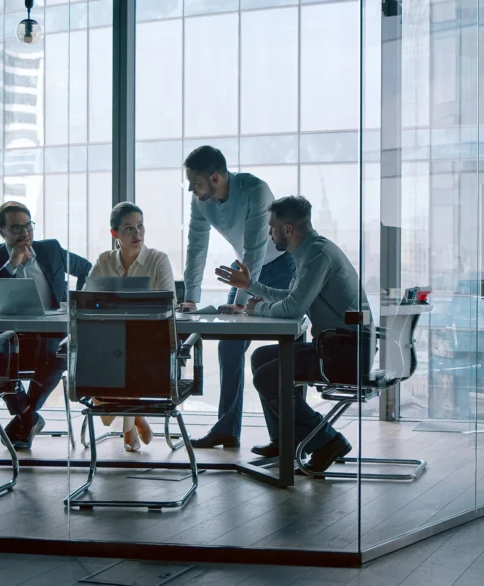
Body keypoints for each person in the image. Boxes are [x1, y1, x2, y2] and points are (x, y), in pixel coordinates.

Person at [215, 195, 372, 474]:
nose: (269, 232)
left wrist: (260, 308)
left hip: (346, 352)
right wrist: (252, 285)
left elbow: (293, 308)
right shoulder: (311, 251)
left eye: (272, 226)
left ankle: (327, 440)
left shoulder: (316, 255)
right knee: (262, 358)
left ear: (287, 229)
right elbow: (291, 296)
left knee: (267, 376)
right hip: (337, 346)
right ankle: (283, 440)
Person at [177, 146, 295, 449]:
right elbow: (196, 245)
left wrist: (242, 301)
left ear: (215, 177)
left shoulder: (256, 191)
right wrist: (190, 297)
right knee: (229, 346)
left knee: (287, 347)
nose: (191, 188)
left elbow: (256, 248)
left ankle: (286, 438)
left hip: (282, 266)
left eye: (196, 182)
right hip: (244, 268)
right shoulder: (201, 202)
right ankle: (227, 428)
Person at [0, 202, 92, 450]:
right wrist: (12, 264)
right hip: (10, 338)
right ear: (1, 230)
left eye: (28, 225)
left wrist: (73, 302)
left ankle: (24, 417)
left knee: (58, 356)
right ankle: (29, 418)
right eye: (16, 228)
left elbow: (86, 270)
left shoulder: (50, 250)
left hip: (49, 336)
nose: (25, 233)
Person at [88, 202, 176, 452]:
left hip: (149, 343)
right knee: (111, 352)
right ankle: (134, 418)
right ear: (114, 234)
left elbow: (168, 304)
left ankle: (129, 425)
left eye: (140, 226)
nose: (137, 234)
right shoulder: (104, 260)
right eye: (128, 229)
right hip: (112, 342)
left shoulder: (158, 260)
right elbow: (86, 299)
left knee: (124, 354)